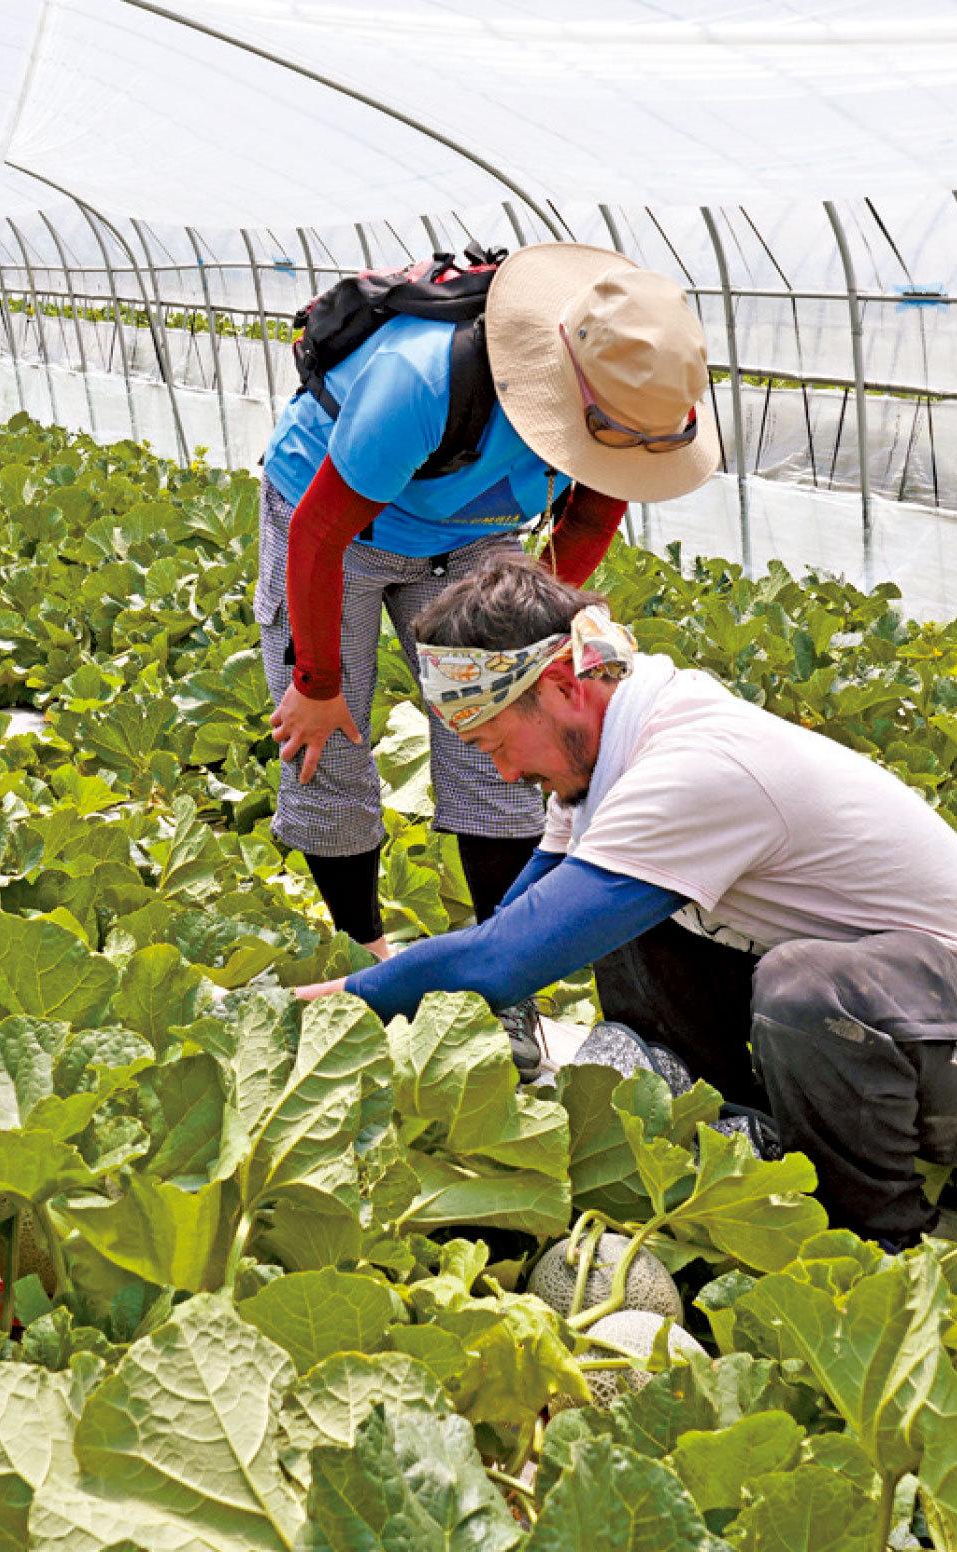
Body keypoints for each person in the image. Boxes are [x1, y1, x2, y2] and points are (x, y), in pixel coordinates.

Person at [297, 559, 957, 1251]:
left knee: (805, 988)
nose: (503, 777)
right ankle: (744, 1136)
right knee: (602, 909)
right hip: (910, 1032)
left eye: (497, 743)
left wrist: (340, 1005)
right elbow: (522, 927)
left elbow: (502, 960)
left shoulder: (697, 764)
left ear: (565, 689)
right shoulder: (609, 744)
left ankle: (874, 1238)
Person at [257, 242, 718, 1077]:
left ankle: (500, 993)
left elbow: (586, 521)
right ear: (566, 385)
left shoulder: (632, 408)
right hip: (341, 531)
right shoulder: (421, 381)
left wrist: (525, 638)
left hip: (478, 539)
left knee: (514, 750)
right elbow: (320, 534)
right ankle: (365, 954)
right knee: (328, 746)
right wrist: (317, 684)